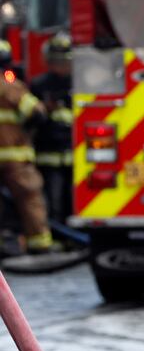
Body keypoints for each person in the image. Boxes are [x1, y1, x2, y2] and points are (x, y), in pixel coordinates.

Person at [0, 41, 53, 255]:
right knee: (30, 198)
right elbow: (37, 112)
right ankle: (39, 244)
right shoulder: (10, 86)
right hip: (15, 158)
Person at [30, 32, 74, 225]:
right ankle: (57, 237)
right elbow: (31, 119)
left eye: (64, 61)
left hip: (74, 156)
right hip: (49, 155)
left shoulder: (80, 84)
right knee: (52, 201)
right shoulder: (40, 85)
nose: (60, 66)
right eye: (56, 61)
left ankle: (74, 238)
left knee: (72, 200)